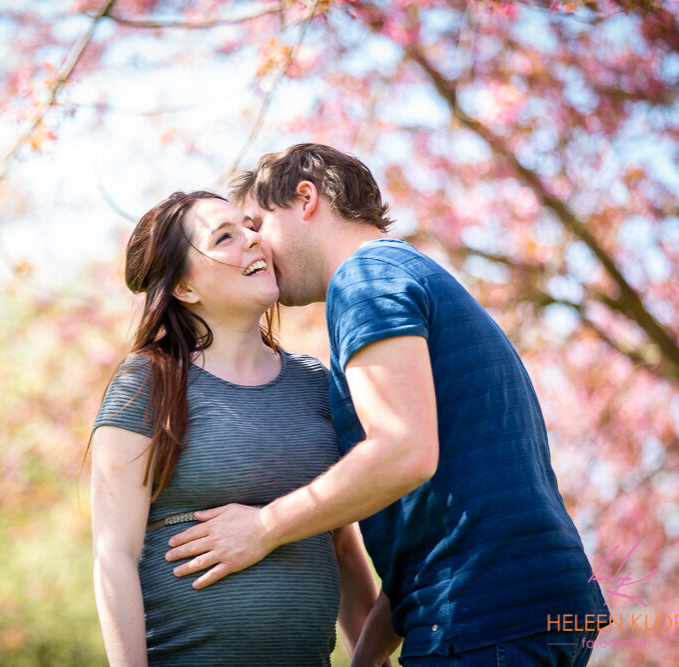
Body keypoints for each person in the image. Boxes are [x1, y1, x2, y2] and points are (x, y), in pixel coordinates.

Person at [163, 144, 610, 666]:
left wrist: (263, 529)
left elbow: (404, 452)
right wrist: (369, 654)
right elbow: (434, 516)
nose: (256, 247)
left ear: (305, 198)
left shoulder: (365, 282)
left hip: (480, 617)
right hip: (517, 610)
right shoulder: (408, 275)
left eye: (258, 224)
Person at [89, 190, 385, 666]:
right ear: (185, 288)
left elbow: (343, 545)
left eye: (251, 227)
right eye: (225, 237)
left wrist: (372, 661)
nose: (252, 240)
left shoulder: (316, 383)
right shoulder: (149, 380)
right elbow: (114, 556)